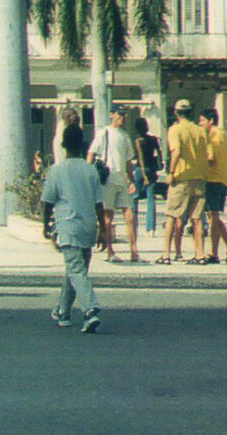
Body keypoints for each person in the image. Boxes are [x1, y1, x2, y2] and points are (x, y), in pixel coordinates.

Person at [41, 124, 103, 333]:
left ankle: (90, 309)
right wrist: (103, 228)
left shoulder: (57, 170)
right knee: (76, 270)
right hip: (88, 226)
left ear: (64, 145)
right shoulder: (90, 169)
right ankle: (63, 311)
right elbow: (99, 203)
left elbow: (47, 201)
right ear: (82, 145)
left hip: (68, 226)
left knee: (76, 270)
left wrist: (45, 225)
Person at [87, 107, 140, 262]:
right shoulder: (104, 133)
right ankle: (110, 251)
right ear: (112, 115)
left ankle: (134, 251)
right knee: (108, 216)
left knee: (130, 215)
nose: (121, 118)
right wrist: (87, 173)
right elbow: (91, 152)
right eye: (119, 115)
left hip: (122, 180)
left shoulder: (125, 136)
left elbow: (128, 160)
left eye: (123, 116)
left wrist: (131, 180)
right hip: (108, 180)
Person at [160, 99, 208, 265]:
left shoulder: (175, 129)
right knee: (197, 218)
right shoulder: (200, 131)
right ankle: (200, 254)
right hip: (200, 178)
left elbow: (176, 151)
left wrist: (171, 172)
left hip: (182, 177)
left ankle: (166, 254)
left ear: (175, 113)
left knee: (172, 215)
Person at [199, 109, 227, 265]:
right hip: (222, 178)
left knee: (213, 218)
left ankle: (213, 253)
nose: (200, 124)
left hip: (213, 179)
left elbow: (211, 157)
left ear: (210, 120)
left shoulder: (212, 136)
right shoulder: (225, 134)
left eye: (202, 120)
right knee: (213, 216)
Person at [133, 116, 162, 236]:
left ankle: (134, 226)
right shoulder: (153, 139)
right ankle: (151, 228)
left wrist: (144, 175)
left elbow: (140, 158)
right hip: (152, 168)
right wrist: (160, 164)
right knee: (151, 199)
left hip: (141, 169)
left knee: (134, 198)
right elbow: (159, 152)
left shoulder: (138, 141)